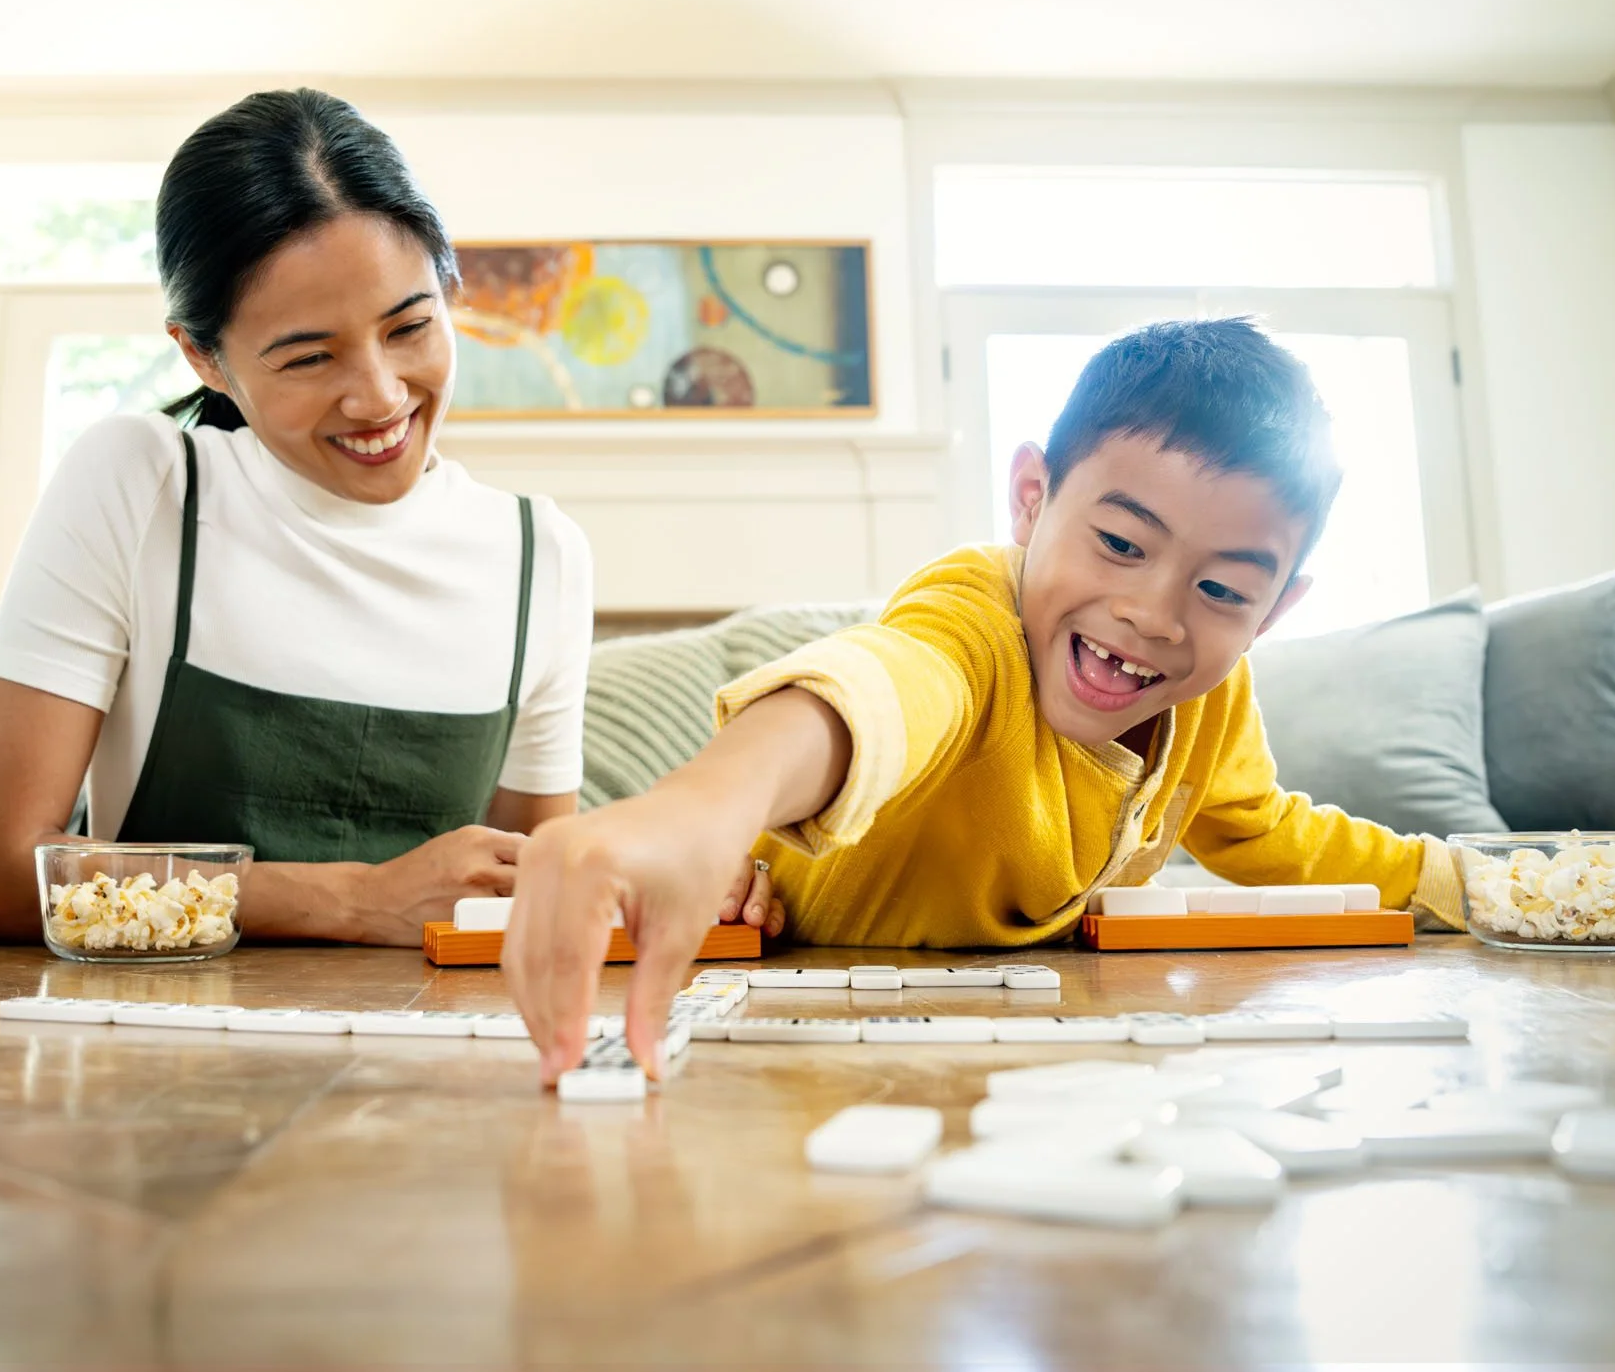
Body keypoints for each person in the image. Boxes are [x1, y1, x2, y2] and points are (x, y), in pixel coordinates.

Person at [504, 318, 1470, 1082]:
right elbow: (887, 685)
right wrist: (705, 807)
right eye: (1122, 544)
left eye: (1222, 590)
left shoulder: (1216, 701)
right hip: (806, 1038)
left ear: (1277, 607)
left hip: (1025, 1050)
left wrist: (1451, 881)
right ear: (1030, 499)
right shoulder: (973, 615)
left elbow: (1264, 829)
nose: (1154, 615)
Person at [0, 89, 781, 944]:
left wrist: (673, 869)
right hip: (159, 1050)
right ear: (206, 357)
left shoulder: (541, 556)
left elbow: (526, 893)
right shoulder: (143, 483)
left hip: (439, 1061)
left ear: (450, 291)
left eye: (411, 326)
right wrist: (354, 900)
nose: (381, 397)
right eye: (310, 356)